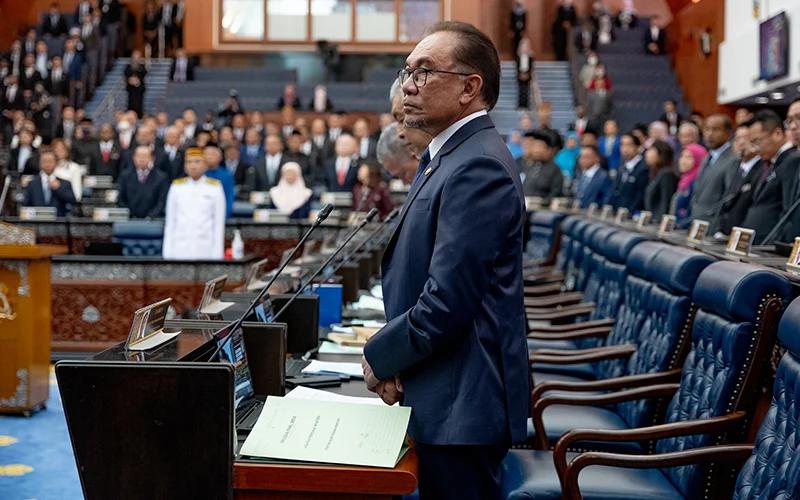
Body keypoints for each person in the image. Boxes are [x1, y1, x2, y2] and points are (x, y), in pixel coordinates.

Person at [362, 22, 529, 500]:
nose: (408, 86)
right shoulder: (447, 156)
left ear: (468, 88)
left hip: (462, 405)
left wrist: (381, 356)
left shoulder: (477, 165)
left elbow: (447, 302)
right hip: (442, 390)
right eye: (407, 71)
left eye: (424, 73)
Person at [743, 110, 800, 244]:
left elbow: (788, 211)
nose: (755, 149)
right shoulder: (768, 163)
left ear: (777, 134)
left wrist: (775, 243)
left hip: (769, 247)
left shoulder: (791, 161)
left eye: (757, 141)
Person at [163, 147, 226, 259]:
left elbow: (218, 224)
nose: (193, 166)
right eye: (189, 162)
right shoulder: (176, 187)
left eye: (197, 162)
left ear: (205, 165)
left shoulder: (215, 188)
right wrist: (167, 252)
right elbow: (170, 223)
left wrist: (217, 254)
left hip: (206, 247)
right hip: (180, 247)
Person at [691, 114, 736, 230]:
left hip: (713, 227)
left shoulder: (733, 160)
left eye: (715, 129)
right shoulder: (706, 159)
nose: (709, 134)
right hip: (696, 224)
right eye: (707, 129)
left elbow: (729, 199)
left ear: (728, 132)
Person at [717, 121, 761, 236]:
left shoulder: (762, 169)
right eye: (737, 139)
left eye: (746, 138)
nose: (741, 142)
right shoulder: (733, 167)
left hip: (746, 234)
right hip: (725, 233)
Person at [117, 145, 170, 218]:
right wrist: (130, 215)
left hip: (153, 220)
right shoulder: (125, 176)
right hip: (130, 219)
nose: (141, 159)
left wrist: (150, 216)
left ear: (152, 158)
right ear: (134, 158)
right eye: (139, 156)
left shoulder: (161, 177)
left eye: (145, 156)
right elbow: (121, 199)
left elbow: (161, 202)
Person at [23, 149, 77, 216]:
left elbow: (72, 201)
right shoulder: (32, 183)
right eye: (44, 161)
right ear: (39, 163)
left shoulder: (64, 183)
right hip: (37, 221)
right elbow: (26, 205)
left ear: (56, 163)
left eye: (50, 161)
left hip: (58, 222)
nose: (47, 164)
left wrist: (58, 189)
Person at [605, 133, 648, 213]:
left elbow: (640, 195)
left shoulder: (643, 167)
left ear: (637, 146)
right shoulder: (621, 164)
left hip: (632, 213)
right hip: (617, 211)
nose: (625, 149)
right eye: (622, 145)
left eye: (629, 145)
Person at [519, 131, 563, 199]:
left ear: (548, 150)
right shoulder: (528, 166)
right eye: (534, 146)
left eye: (539, 147)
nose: (536, 151)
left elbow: (555, 193)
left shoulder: (554, 169)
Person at [643, 139, 678, 220]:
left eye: (651, 150)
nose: (647, 154)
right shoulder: (656, 173)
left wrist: (658, 221)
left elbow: (665, 202)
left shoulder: (666, 174)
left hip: (657, 221)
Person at [674, 144, 707, 226]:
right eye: (682, 156)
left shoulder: (697, 184)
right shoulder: (683, 181)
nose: (683, 160)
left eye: (689, 157)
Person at [203, 145, 235, 218]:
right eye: (206, 154)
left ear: (220, 157)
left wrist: (224, 216)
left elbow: (229, 198)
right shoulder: (198, 174)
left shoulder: (227, 175)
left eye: (212, 154)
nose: (209, 157)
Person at [125, 50, 147, 118]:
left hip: (139, 89)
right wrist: (130, 79)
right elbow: (126, 73)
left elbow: (144, 74)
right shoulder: (129, 66)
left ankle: (139, 115)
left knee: (138, 102)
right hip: (131, 89)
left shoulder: (142, 66)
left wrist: (138, 79)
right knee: (131, 101)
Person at [516, 37, 534, 110]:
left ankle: (526, 105)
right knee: (521, 90)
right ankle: (521, 105)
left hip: (527, 74)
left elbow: (531, 66)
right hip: (520, 74)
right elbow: (517, 66)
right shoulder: (518, 56)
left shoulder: (530, 57)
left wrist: (528, 73)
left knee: (526, 91)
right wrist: (520, 73)